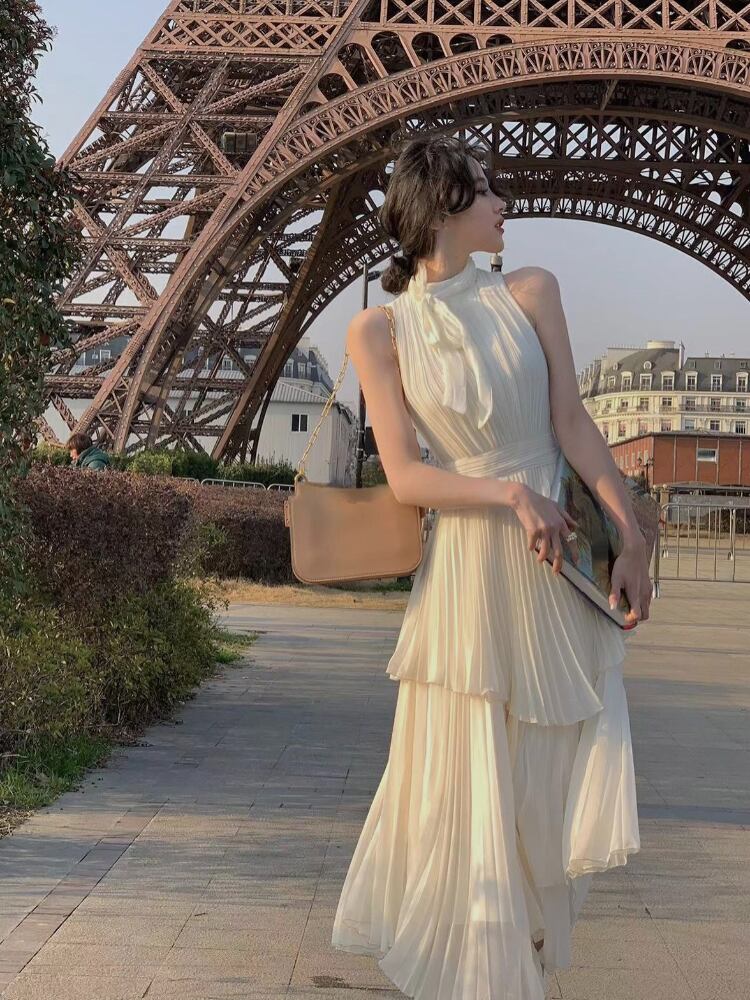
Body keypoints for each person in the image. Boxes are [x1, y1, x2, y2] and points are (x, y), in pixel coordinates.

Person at [330, 135, 652, 999]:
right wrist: (510, 495)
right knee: (469, 787)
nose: (504, 203)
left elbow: (573, 424)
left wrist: (631, 538)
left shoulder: (532, 291)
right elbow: (406, 476)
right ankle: (487, 974)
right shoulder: (378, 330)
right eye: (484, 190)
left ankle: (526, 961)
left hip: (551, 570)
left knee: (544, 777)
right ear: (440, 207)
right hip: (471, 572)